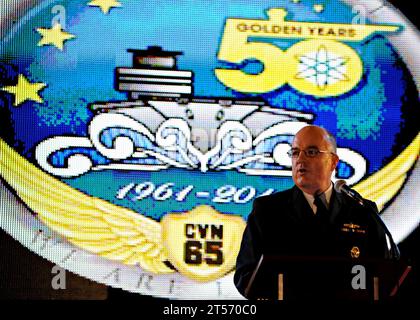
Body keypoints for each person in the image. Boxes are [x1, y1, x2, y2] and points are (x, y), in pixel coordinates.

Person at [234, 125, 398, 299]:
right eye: (295, 152)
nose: (300, 160)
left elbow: (384, 275)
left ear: (333, 162)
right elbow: (245, 277)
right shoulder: (268, 211)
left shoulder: (362, 211)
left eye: (311, 152)